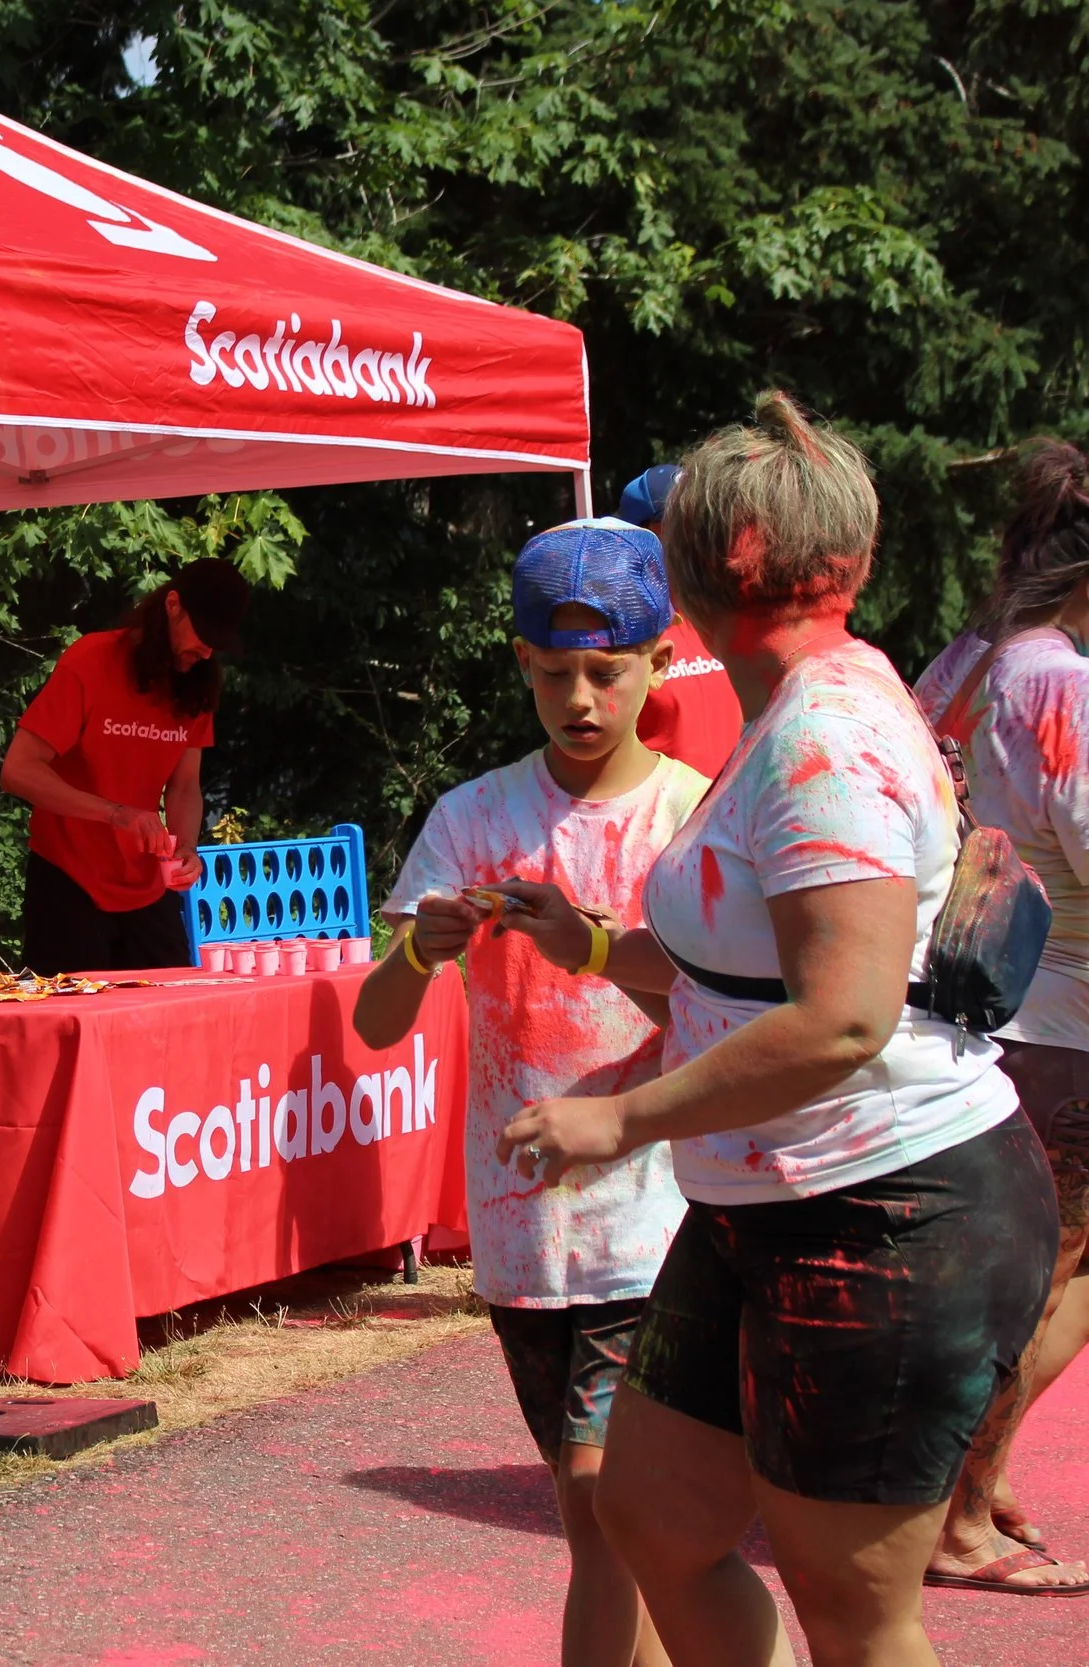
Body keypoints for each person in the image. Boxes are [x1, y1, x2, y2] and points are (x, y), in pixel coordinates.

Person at [496, 392, 1065, 1663]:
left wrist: (620, 1115)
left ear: (712, 572)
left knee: (853, 1613)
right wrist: (578, 935)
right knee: (654, 1517)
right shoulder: (808, 693)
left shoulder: (821, 738)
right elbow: (746, 968)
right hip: (776, 1201)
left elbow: (843, 1015)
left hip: (889, 1209)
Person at [355, 518, 700, 1667]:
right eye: (555, 674)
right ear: (518, 661)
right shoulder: (470, 816)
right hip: (521, 1232)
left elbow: (730, 1022)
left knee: (610, 1511)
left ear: (660, 659)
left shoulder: (691, 814)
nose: (583, 698)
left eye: (608, 671)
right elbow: (373, 1023)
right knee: (599, 1527)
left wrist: (597, 947)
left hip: (660, 1218)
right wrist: (421, 949)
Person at [909, 437, 1089, 1595]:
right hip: (1066, 1028)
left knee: (1003, 1271)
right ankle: (955, 1506)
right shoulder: (1060, 683)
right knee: (1045, 1277)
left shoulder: (960, 666)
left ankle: (961, 1476)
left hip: (971, 1017)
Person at [0, 559, 254, 973]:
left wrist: (187, 847)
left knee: (169, 1020)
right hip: (68, 881)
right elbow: (18, 770)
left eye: (218, 642)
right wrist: (114, 814)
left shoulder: (197, 683)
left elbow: (185, 785)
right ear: (173, 605)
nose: (207, 651)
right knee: (74, 1026)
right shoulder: (91, 660)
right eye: (204, 635)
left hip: (147, 888)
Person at [619, 464, 745, 778]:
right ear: (643, 534)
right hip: (663, 822)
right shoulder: (621, 630)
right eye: (684, 523)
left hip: (739, 820)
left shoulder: (729, 617)